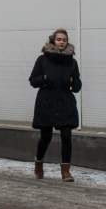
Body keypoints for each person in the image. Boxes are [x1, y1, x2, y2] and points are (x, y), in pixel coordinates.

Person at [29, 27, 82, 182]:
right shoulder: (43, 59)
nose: (61, 42)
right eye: (59, 39)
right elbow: (33, 81)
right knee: (45, 137)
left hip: (65, 102)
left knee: (67, 136)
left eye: (64, 40)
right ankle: (38, 162)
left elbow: (78, 86)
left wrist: (73, 81)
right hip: (46, 102)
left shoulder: (72, 62)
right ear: (53, 41)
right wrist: (44, 78)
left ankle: (66, 171)